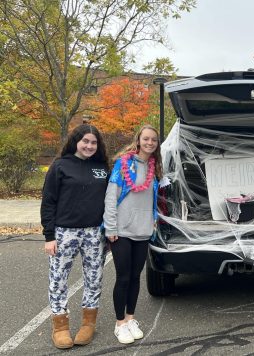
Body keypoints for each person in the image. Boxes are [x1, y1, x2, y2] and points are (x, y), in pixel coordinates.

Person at [41, 124, 109, 349]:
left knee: (94, 278)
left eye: (93, 142)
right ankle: (60, 326)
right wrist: (49, 236)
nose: (89, 146)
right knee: (58, 279)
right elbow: (48, 201)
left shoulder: (102, 168)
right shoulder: (60, 166)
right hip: (64, 232)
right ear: (76, 142)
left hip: (94, 233)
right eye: (85, 141)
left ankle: (88, 324)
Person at [103, 124, 163, 344]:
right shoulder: (124, 163)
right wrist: (110, 227)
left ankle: (130, 319)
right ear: (138, 140)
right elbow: (111, 196)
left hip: (143, 230)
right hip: (121, 231)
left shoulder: (155, 167)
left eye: (154, 140)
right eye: (146, 139)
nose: (149, 143)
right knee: (124, 277)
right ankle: (119, 323)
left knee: (136, 277)